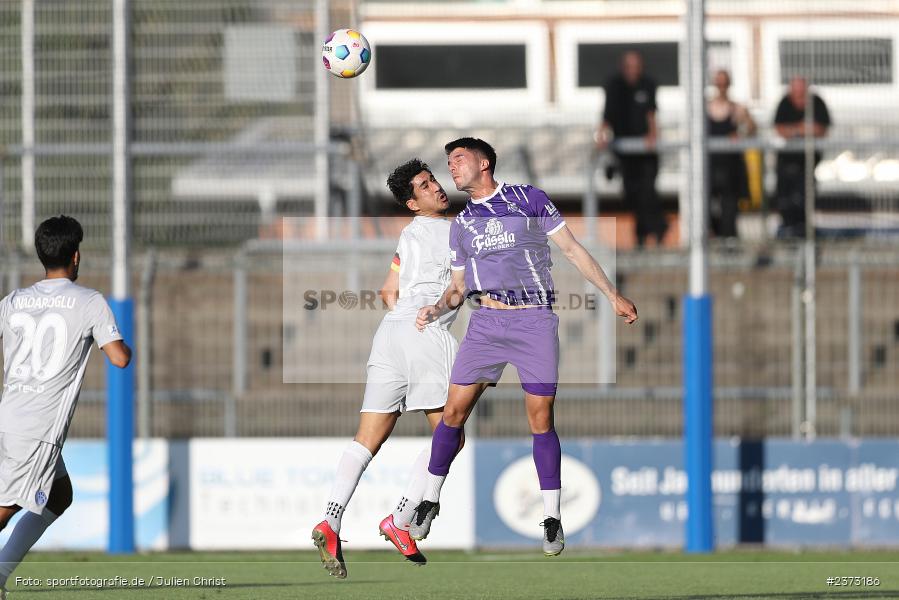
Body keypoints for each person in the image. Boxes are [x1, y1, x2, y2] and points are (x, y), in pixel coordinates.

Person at [413, 138, 638, 556]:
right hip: (486, 323)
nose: (452, 168)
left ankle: (552, 518)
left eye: (458, 160)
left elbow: (571, 249)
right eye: (448, 162)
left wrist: (612, 294)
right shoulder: (462, 224)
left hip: (533, 320)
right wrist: (437, 308)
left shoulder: (527, 199)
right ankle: (429, 500)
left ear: (483, 163)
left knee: (540, 417)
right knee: (452, 412)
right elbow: (459, 288)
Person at [311, 159, 463, 578]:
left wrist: (409, 316)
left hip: (389, 333)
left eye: (433, 180)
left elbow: (386, 292)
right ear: (413, 203)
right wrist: (434, 311)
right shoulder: (456, 231)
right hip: (424, 331)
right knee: (451, 434)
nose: (436, 188)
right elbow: (458, 289)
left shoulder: (408, 235)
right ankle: (401, 517)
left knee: (366, 441)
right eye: (425, 186)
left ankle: (331, 520)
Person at [0, 216, 132, 598]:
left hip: (10, 416)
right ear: (76, 256)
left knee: (59, 496)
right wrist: (125, 345)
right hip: (38, 429)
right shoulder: (89, 301)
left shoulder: (15, 300)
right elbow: (120, 359)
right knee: (5, 507)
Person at [597, 51, 667, 247]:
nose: (634, 70)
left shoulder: (648, 84)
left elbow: (651, 113)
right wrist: (601, 134)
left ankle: (652, 231)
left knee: (648, 191)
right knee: (632, 193)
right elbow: (607, 115)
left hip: (645, 152)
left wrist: (653, 136)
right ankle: (648, 231)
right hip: (624, 153)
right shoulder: (615, 86)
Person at [773, 76, 831, 238]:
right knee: (785, 199)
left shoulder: (816, 102)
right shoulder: (784, 103)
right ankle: (788, 230)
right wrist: (801, 129)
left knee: (804, 197)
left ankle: (804, 232)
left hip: (808, 162)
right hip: (786, 163)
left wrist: (795, 130)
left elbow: (822, 129)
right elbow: (779, 129)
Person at [707, 69, 756, 239]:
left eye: (724, 83)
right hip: (711, 167)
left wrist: (740, 132)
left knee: (729, 208)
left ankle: (729, 242)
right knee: (709, 208)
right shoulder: (706, 108)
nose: (721, 87)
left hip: (730, 167)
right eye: (718, 83)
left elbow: (751, 129)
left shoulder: (736, 108)